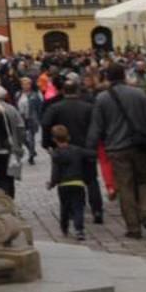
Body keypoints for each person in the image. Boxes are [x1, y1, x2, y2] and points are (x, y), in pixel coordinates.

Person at [90, 62, 146, 240]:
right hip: (140, 146)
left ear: (107, 77)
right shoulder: (138, 94)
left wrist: (90, 149)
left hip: (116, 149)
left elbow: (97, 127)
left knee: (125, 187)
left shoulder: (102, 99)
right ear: (124, 75)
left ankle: (133, 227)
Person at [41, 76, 104, 225]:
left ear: (63, 91)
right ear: (77, 91)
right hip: (85, 148)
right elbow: (96, 126)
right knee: (91, 180)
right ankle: (97, 210)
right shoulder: (88, 107)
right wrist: (93, 144)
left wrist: (48, 143)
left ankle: (70, 210)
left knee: (66, 179)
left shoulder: (55, 108)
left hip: (64, 149)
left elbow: (45, 124)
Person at [47, 125, 95, 241]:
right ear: (68, 137)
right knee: (78, 207)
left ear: (54, 139)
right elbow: (91, 154)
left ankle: (64, 227)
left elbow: (55, 173)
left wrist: (52, 183)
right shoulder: (77, 150)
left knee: (64, 208)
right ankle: (79, 230)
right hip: (78, 183)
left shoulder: (56, 154)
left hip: (63, 186)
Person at [15, 78, 44, 163]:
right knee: (23, 137)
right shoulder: (18, 94)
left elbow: (39, 107)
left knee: (31, 137)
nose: (25, 86)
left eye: (27, 84)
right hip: (21, 118)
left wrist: (39, 118)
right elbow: (16, 105)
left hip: (32, 118)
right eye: (23, 84)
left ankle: (31, 156)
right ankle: (31, 149)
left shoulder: (35, 95)